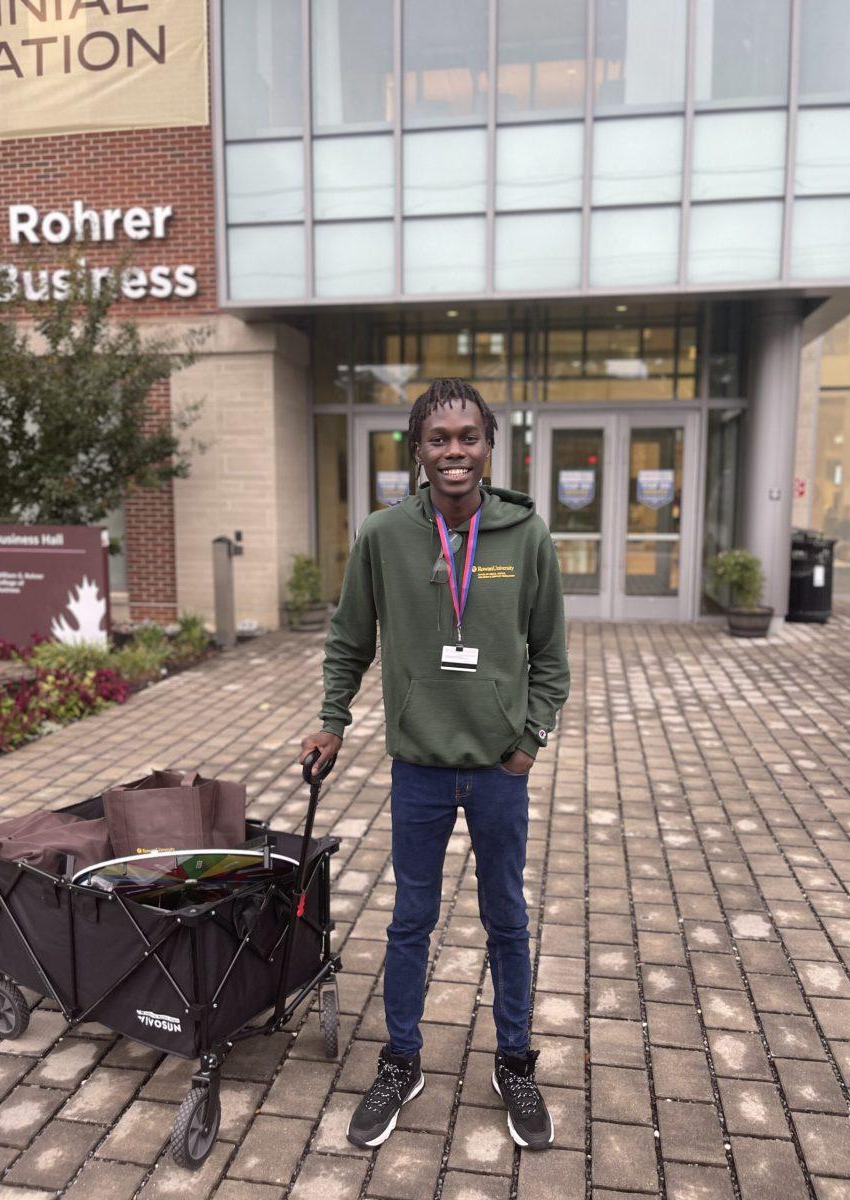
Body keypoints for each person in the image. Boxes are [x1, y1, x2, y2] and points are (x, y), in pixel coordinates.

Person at [299, 377, 570, 1152]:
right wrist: (331, 723)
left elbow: (550, 656)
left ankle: (515, 1061)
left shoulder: (526, 535)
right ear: (417, 452)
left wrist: (528, 744)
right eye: (439, 439)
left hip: (496, 771)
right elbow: (349, 640)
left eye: (469, 437)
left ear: (489, 447)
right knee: (410, 920)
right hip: (416, 767)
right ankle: (401, 1059)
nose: (455, 451)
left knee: (507, 920)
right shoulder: (384, 536)